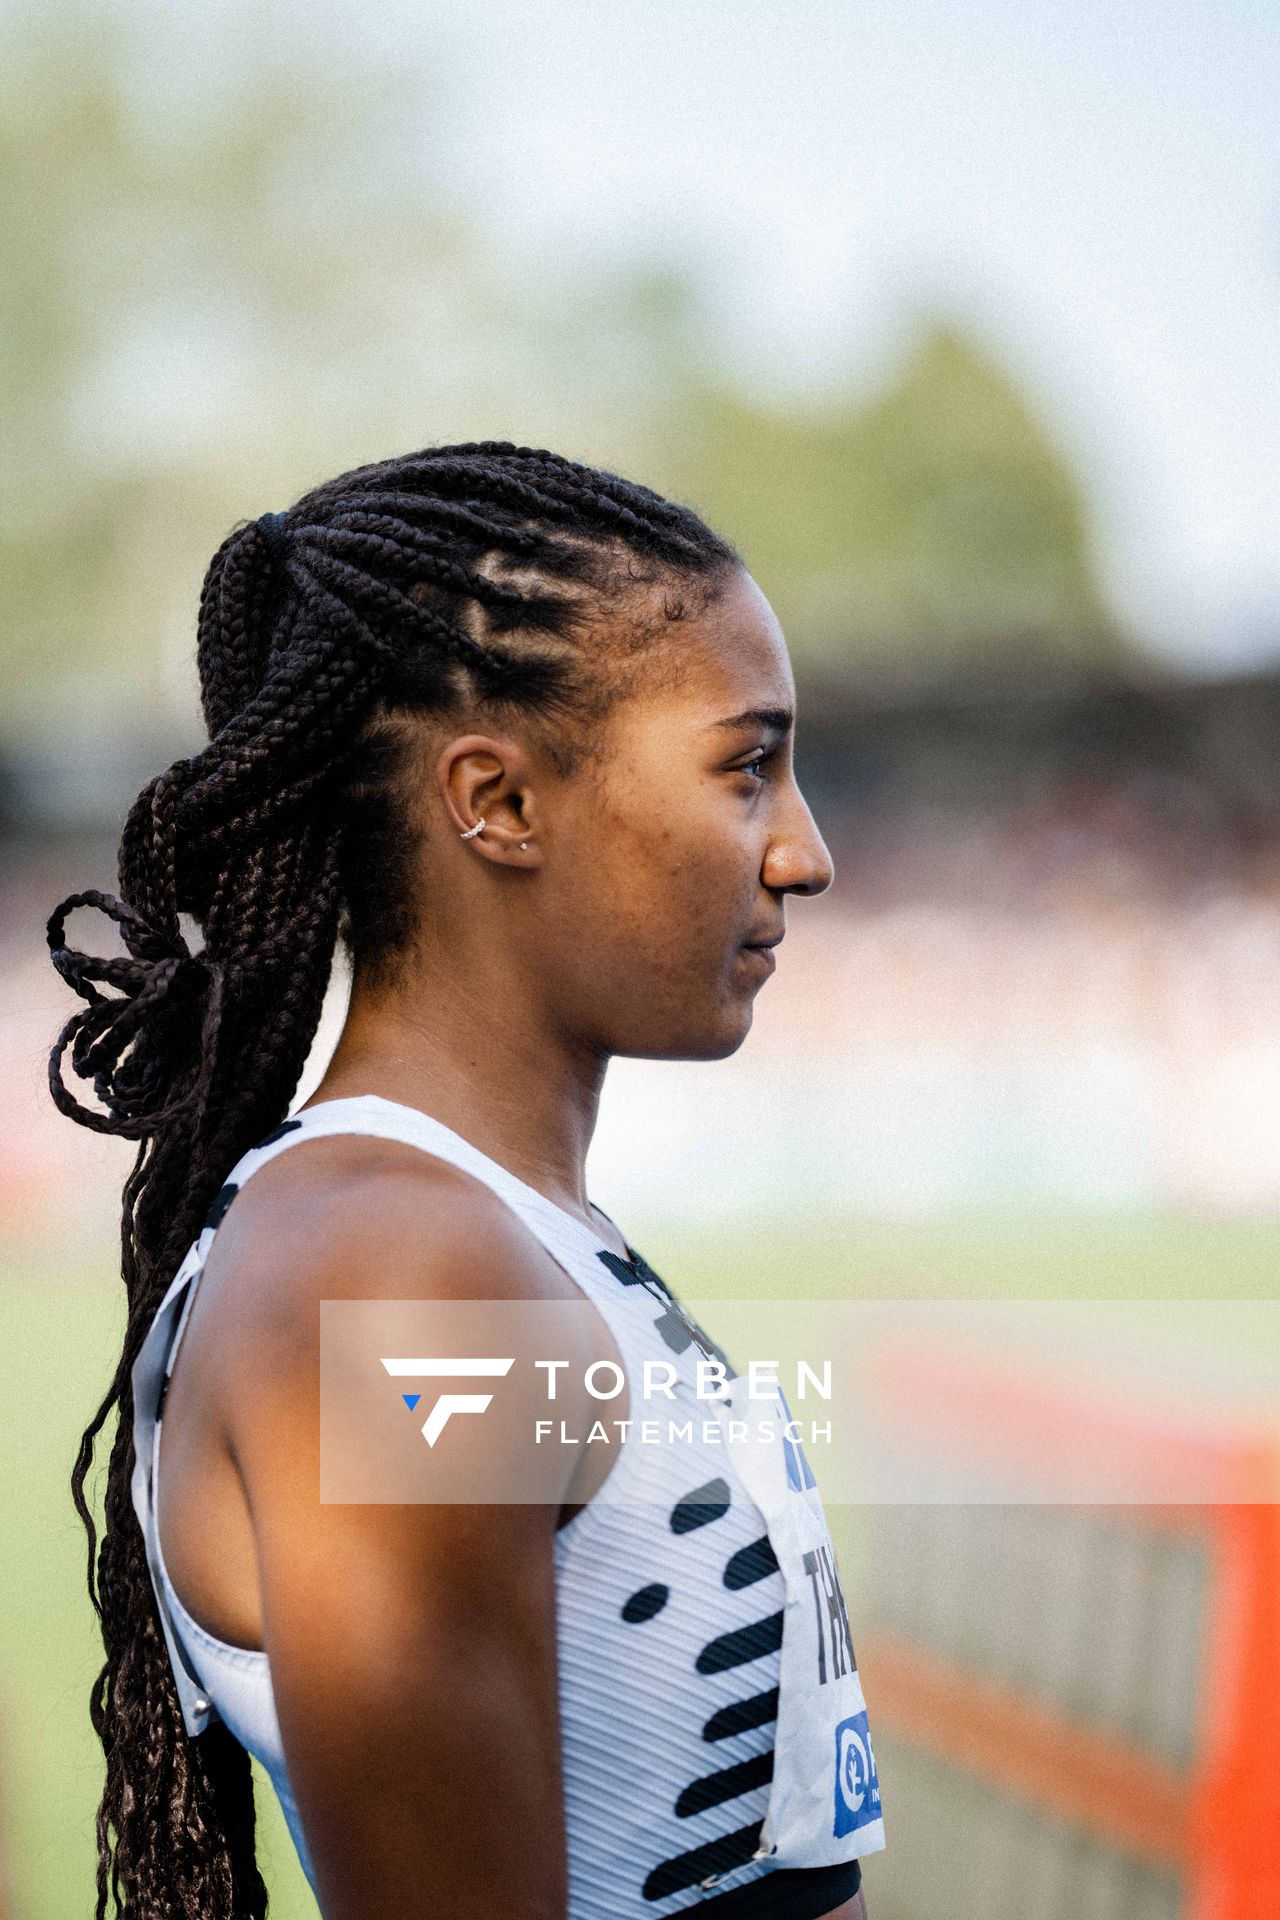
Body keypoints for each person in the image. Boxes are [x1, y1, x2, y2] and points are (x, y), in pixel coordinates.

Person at [46, 442, 884, 1918]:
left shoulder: (481, 1236)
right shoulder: (405, 1273)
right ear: (495, 802)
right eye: (745, 767)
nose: (803, 854)